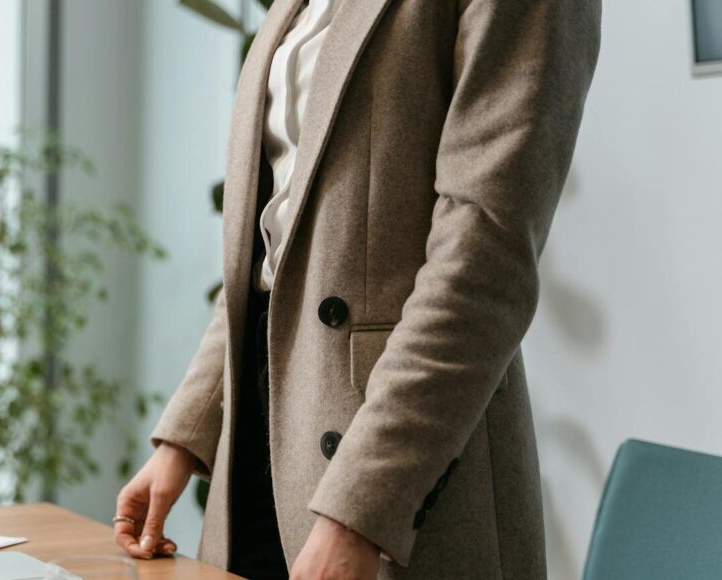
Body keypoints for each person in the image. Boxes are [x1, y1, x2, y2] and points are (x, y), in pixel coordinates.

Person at [114, 0, 601, 577]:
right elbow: (274, 251)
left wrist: (362, 509)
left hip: (394, 475)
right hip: (262, 443)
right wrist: (189, 432)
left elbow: (483, 260)